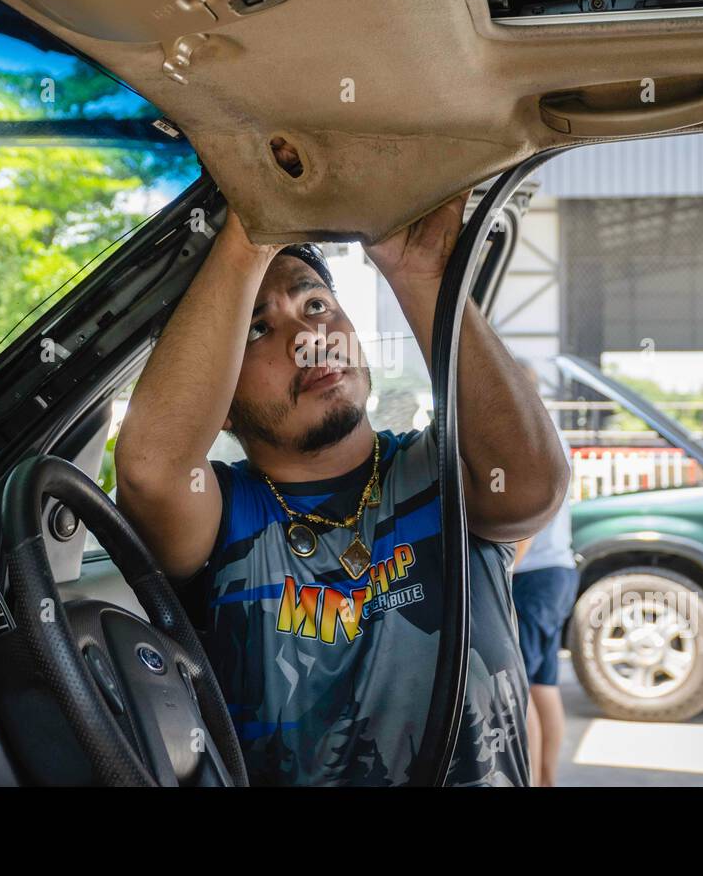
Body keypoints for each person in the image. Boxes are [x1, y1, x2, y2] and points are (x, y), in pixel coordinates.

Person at [113, 196, 569, 786]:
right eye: (258, 329)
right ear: (218, 395)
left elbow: (533, 487)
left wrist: (422, 276)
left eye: (318, 304)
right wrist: (252, 229)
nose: (309, 338)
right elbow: (149, 467)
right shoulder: (222, 514)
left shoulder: (442, 469)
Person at [512, 358, 578, 787]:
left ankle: (532, 780)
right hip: (558, 573)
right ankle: (548, 779)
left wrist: (503, 570)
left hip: (532, 575)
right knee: (542, 684)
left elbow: (528, 519)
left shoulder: (527, 437)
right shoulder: (552, 432)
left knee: (518, 691)